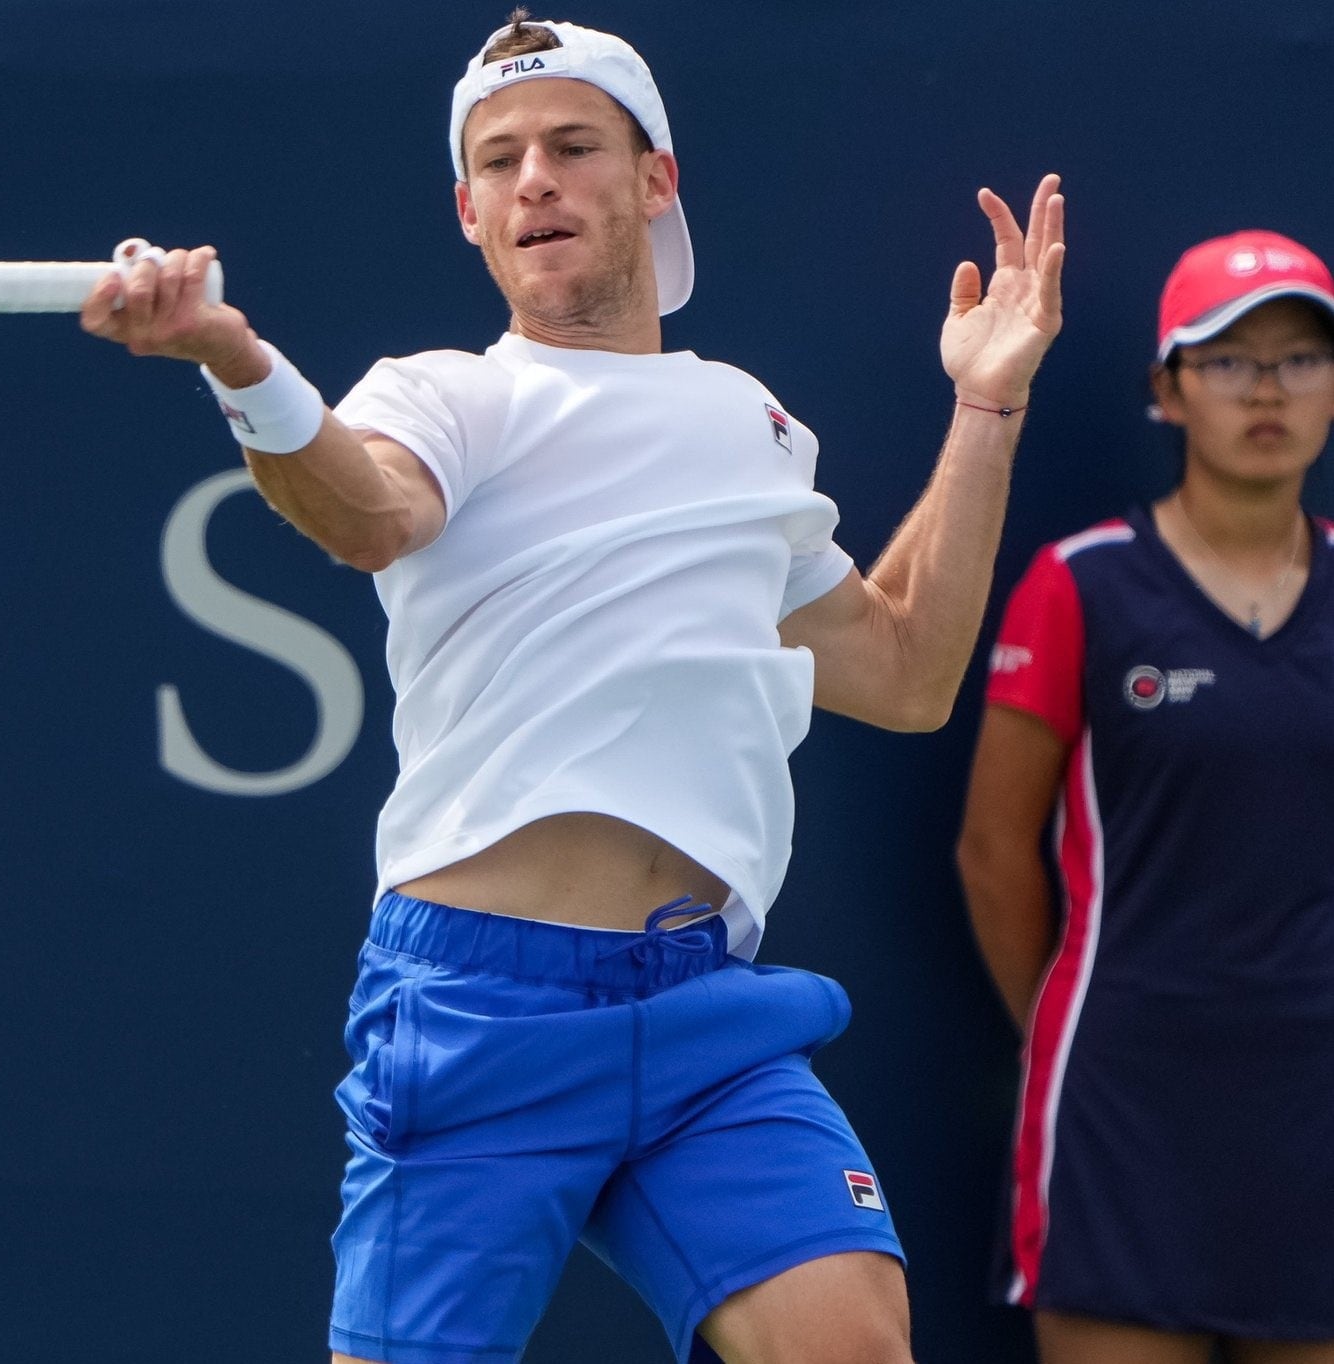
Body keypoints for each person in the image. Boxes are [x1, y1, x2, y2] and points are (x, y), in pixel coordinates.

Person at [84, 14, 1063, 1363]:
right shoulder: (441, 396)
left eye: (570, 145)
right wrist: (238, 363)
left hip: (703, 1013)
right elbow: (366, 516)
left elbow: (903, 672)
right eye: (499, 161)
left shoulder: (749, 425)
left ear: (653, 179)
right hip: (479, 1014)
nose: (533, 178)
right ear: (470, 214)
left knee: (853, 1347)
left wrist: (984, 408)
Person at [956, 231, 1334, 1364]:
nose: (1266, 388)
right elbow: (991, 848)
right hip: (1123, 1101)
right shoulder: (1082, 584)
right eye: (1226, 360)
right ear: (1168, 391)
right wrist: (1083, 1029)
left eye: (1300, 358)